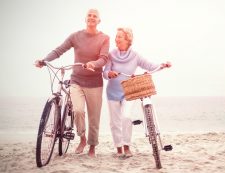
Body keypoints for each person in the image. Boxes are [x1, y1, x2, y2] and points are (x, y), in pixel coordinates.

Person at [35, 9, 110, 157]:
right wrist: (45, 60)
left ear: (99, 20)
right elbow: (59, 50)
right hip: (77, 80)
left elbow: (104, 58)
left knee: (94, 117)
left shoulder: (104, 38)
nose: (92, 18)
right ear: (85, 18)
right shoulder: (76, 36)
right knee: (78, 111)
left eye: (95, 16)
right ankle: (82, 138)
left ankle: (92, 147)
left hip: (95, 83)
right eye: (89, 15)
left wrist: (93, 64)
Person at [103, 27, 171, 157]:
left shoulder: (135, 56)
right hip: (112, 92)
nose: (116, 39)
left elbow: (150, 66)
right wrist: (109, 74)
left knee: (126, 117)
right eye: (116, 36)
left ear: (127, 39)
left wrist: (162, 65)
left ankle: (126, 146)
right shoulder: (111, 55)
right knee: (114, 122)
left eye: (119, 36)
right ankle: (118, 148)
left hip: (129, 92)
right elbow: (105, 73)